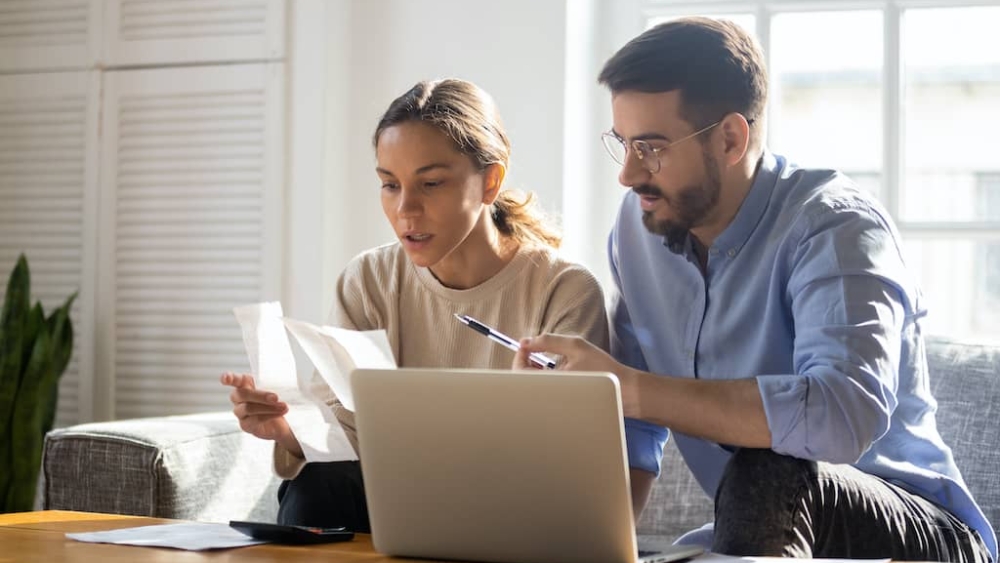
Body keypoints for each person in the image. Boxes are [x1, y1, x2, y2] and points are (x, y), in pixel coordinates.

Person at [515, 17, 995, 562]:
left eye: (650, 147)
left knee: (766, 464)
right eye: (622, 143)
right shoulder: (639, 227)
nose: (627, 174)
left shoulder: (835, 228)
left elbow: (841, 414)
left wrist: (632, 386)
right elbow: (635, 426)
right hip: (759, 532)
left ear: (730, 138)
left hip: (924, 535)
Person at [221, 78, 609, 533]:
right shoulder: (368, 281)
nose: (407, 209)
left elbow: (571, 470)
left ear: (490, 181)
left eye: (431, 183)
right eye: (390, 185)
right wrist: (286, 430)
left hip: (509, 512)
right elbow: (345, 437)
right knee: (319, 484)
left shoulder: (564, 290)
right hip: (394, 509)